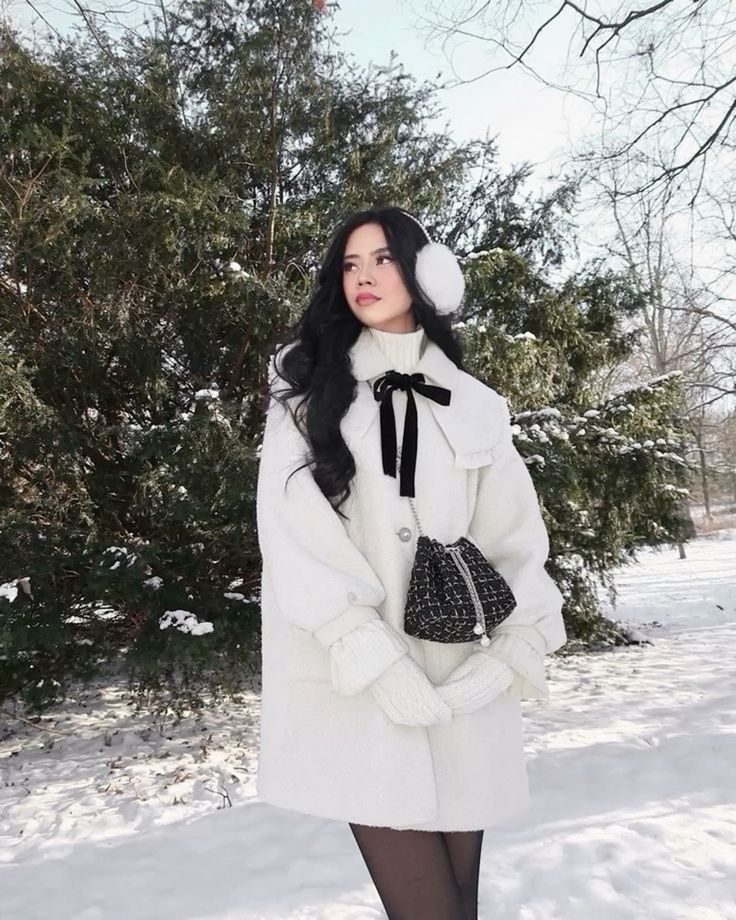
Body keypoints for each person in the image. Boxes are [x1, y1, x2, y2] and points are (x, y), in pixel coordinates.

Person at [255, 205, 567, 920]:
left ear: (425, 272)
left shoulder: (476, 405)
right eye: (350, 265)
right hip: (362, 685)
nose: (363, 277)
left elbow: (516, 540)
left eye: (383, 260)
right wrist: (370, 655)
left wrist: (513, 651)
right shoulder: (306, 392)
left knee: (460, 906)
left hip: (462, 683)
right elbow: (293, 534)